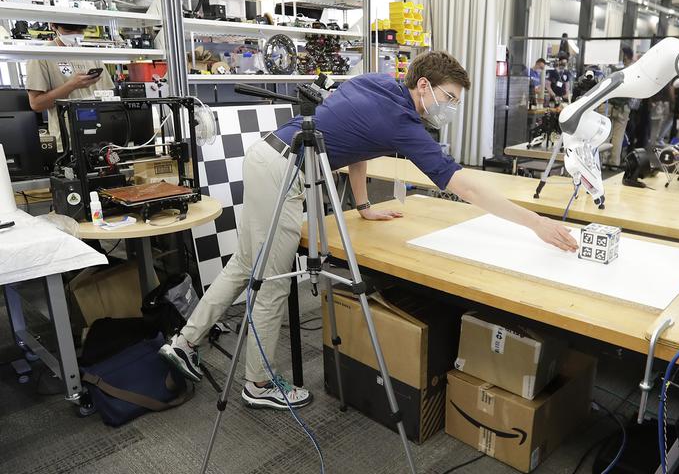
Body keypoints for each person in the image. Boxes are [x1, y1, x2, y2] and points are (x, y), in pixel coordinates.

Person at [159, 51, 578, 409]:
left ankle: (184, 341)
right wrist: (536, 223)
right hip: (284, 173)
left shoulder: (379, 83)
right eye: (448, 98)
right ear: (425, 86)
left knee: (244, 264)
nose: (449, 108)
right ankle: (259, 384)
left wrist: (363, 205)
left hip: (265, 155)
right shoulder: (403, 123)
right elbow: (462, 184)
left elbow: (355, 143)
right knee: (271, 281)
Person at [25, 23, 115, 151]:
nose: (75, 34)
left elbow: (110, 96)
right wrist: (71, 86)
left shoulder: (90, 53)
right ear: (53, 26)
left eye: (80, 29)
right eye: (68, 30)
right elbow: (36, 104)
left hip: (99, 139)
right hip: (68, 142)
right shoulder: (41, 55)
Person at [606, 45, 635, 167]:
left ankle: (602, 160)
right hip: (624, 108)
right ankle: (614, 163)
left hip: (609, 105)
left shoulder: (614, 70)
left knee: (606, 134)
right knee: (618, 136)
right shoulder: (633, 71)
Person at [648, 81, 675, 148]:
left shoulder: (660, 79)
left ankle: (654, 141)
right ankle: (655, 141)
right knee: (657, 123)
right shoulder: (667, 80)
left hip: (658, 102)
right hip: (661, 102)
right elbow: (670, 92)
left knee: (656, 124)